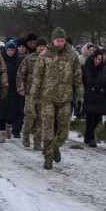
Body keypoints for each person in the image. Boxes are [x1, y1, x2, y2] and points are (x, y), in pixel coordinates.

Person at [30, 27, 84, 170]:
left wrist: (80, 94)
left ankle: (55, 147)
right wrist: (34, 97)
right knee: (47, 130)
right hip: (47, 97)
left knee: (64, 131)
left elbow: (78, 76)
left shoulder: (72, 55)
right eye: (57, 40)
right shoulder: (45, 55)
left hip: (65, 98)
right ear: (52, 40)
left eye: (62, 40)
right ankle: (48, 157)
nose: (60, 43)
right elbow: (37, 77)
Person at [16, 36, 45, 149]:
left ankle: (37, 142)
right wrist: (21, 88)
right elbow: (20, 75)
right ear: (37, 47)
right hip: (30, 94)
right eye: (40, 46)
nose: (42, 48)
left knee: (41, 119)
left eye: (43, 46)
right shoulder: (29, 59)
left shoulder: (51, 60)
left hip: (44, 95)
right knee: (30, 117)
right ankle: (26, 135)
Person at [80, 47, 106, 146]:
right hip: (89, 96)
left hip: (100, 97)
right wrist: (84, 91)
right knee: (90, 118)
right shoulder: (85, 68)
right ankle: (92, 138)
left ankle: (87, 135)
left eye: (101, 59)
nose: (99, 61)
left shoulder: (105, 68)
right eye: (97, 59)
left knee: (97, 118)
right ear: (93, 58)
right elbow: (79, 81)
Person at [0, 40, 22, 142]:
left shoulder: (18, 61)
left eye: (12, 50)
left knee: (13, 112)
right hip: (2, 89)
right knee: (1, 112)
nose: (10, 52)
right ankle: (1, 132)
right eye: (9, 50)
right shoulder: (0, 60)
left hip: (14, 90)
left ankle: (8, 125)